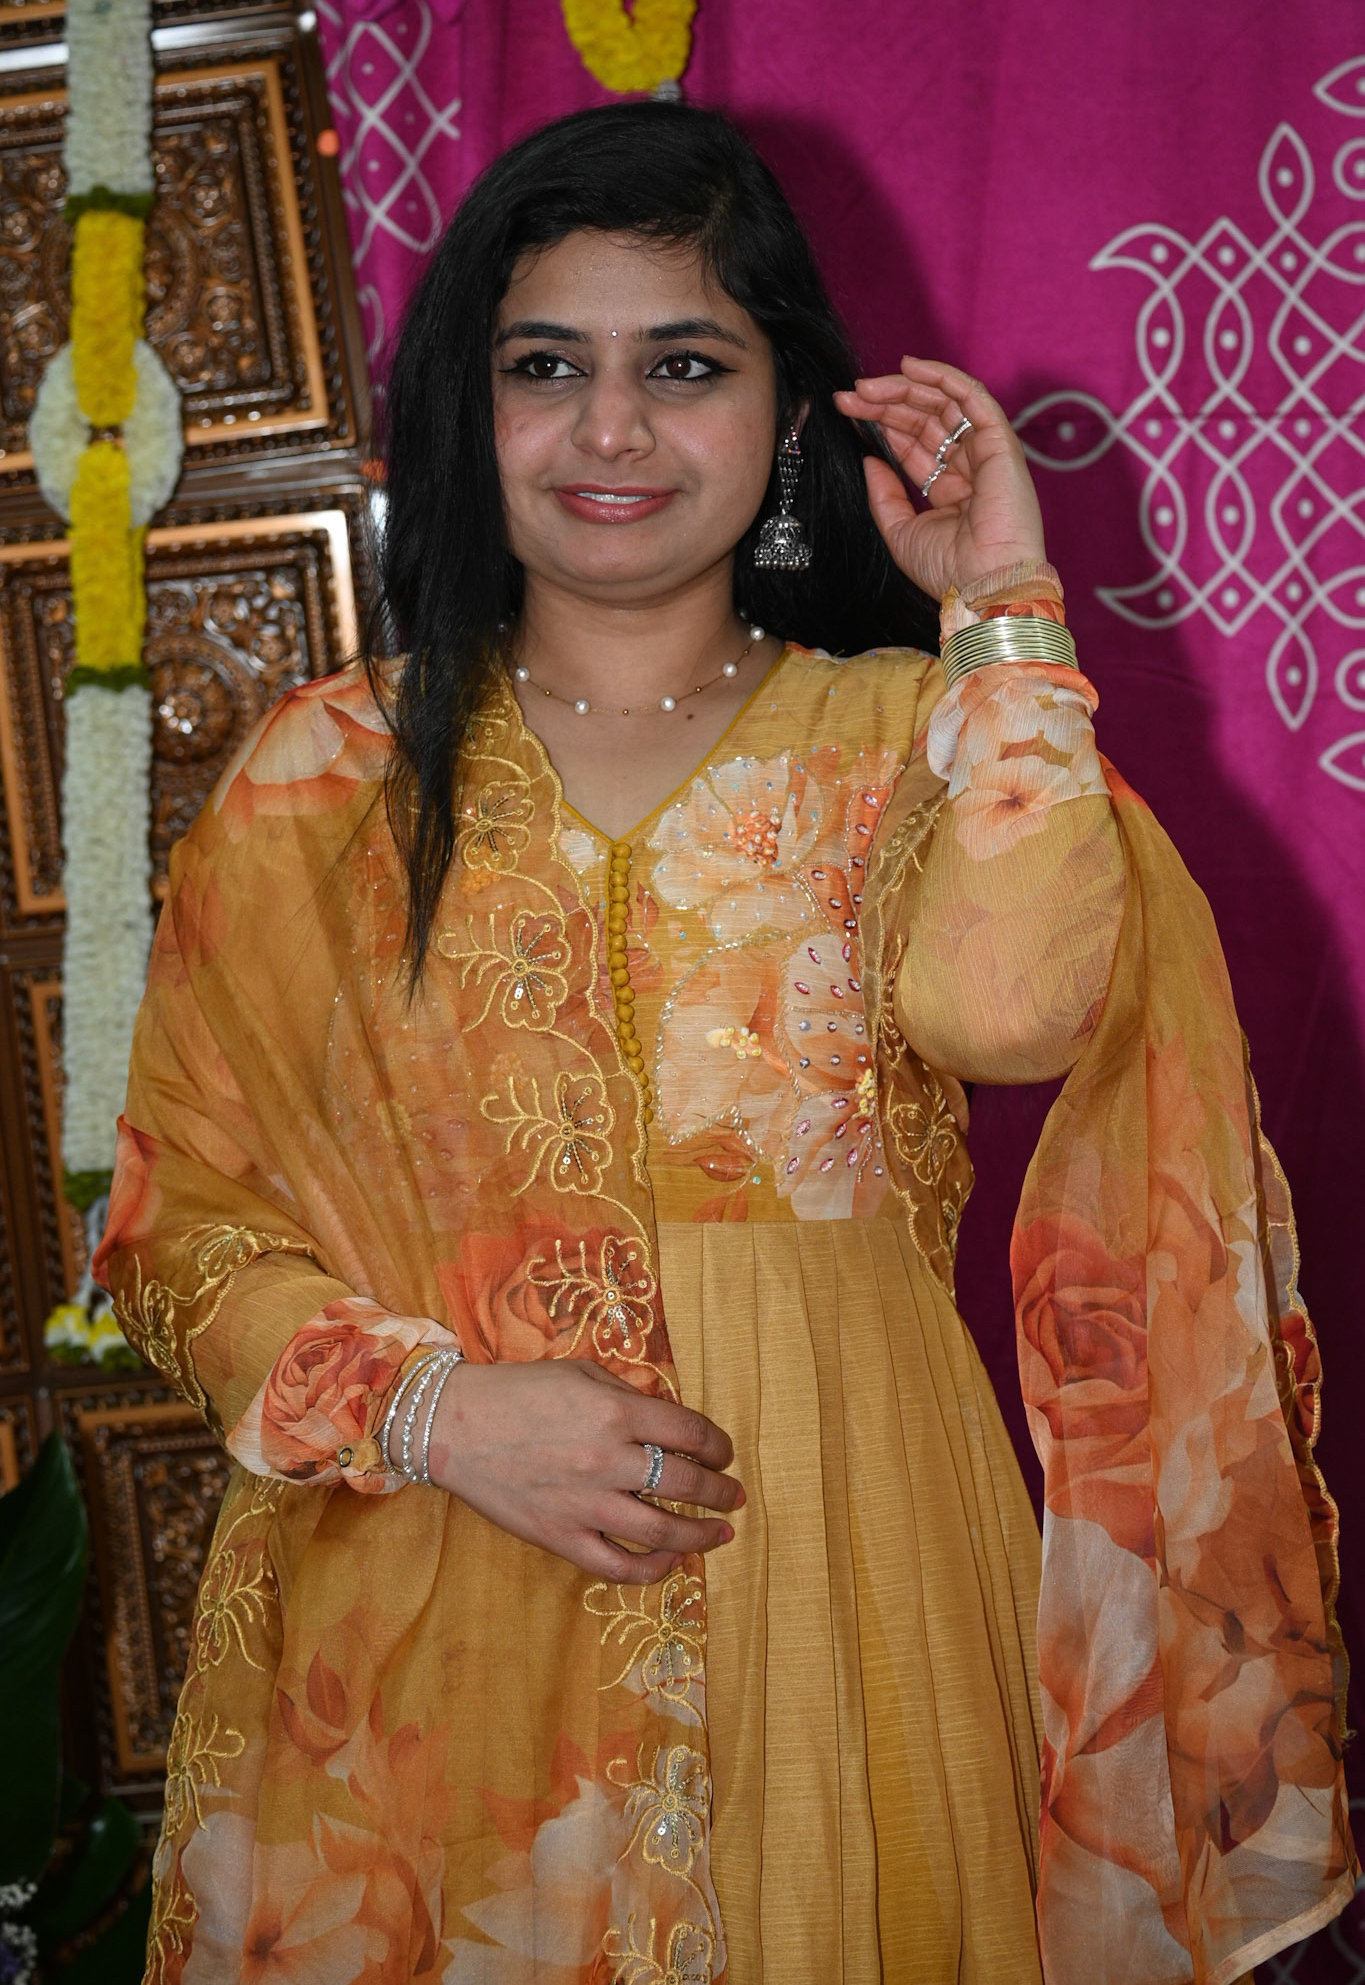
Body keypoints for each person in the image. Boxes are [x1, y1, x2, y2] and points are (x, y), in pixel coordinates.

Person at [96, 103, 1353, 1985]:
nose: (610, 430)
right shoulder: (327, 777)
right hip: (444, 1568)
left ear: (786, 415)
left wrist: (1002, 612)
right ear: (470, 411)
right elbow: (172, 1224)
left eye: (683, 366)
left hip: (839, 1560)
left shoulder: (907, 733)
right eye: (546, 369)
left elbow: (1012, 1012)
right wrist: (437, 1413)